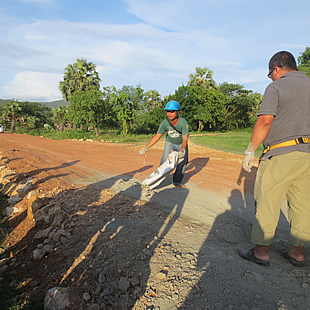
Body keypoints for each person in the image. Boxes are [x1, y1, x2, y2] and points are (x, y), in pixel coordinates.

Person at [239, 51, 310, 267]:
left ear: (276, 69)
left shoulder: (276, 87)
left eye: (270, 74)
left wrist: (251, 151)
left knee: (268, 200)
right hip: (307, 154)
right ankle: (297, 253)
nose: (270, 78)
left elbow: (264, 122)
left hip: (280, 153)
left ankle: (261, 251)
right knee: (303, 204)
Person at [139, 100, 189, 188]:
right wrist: (146, 147)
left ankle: (177, 182)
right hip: (170, 142)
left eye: (172, 111)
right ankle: (156, 179)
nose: (170, 114)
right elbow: (157, 136)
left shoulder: (183, 122)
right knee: (164, 160)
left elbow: (185, 138)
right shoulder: (165, 123)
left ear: (178, 112)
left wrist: (182, 150)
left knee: (183, 161)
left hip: (181, 143)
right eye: (168, 111)